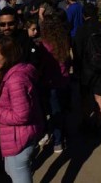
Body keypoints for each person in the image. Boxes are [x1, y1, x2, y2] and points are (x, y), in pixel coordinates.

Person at [0, 35, 44, 183]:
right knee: (11, 169)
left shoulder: (15, 79)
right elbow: (12, 100)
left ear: (9, 55)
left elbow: (21, 116)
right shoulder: (12, 72)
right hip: (16, 136)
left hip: (19, 137)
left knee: (18, 174)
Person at [72, 3, 101, 129]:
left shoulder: (81, 29)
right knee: (100, 95)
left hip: (86, 67)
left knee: (86, 97)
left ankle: (86, 121)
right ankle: (100, 123)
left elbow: (77, 50)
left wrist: (76, 69)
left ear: (84, 15)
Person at [38, 15, 71, 154]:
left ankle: (57, 141)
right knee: (61, 111)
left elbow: (41, 66)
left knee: (53, 112)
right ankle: (60, 136)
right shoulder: (64, 41)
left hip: (50, 83)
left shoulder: (44, 45)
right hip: (64, 80)